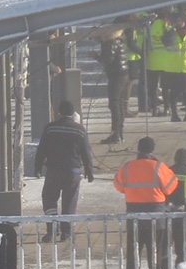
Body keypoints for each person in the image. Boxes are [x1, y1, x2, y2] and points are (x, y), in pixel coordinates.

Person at [113, 137, 176, 269]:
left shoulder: (128, 167)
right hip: (156, 214)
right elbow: (170, 186)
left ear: (138, 149)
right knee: (154, 250)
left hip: (134, 215)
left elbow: (119, 185)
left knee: (134, 250)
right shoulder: (159, 167)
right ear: (152, 149)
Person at [31, 102, 96, 242]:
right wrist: (89, 171)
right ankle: (66, 233)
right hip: (72, 172)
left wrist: (37, 167)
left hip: (53, 170)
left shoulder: (50, 129)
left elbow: (41, 150)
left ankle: (52, 229)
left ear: (58, 112)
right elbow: (86, 153)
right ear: (73, 114)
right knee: (69, 201)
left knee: (49, 199)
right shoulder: (79, 130)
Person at [100, 31, 130, 146]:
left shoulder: (110, 43)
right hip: (123, 73)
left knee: (114, 103)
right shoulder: (118, 40)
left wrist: (96, 56)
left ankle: (116, 133)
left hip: (116, 75)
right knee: (120, 103)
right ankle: (119, 133)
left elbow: (108, 59)